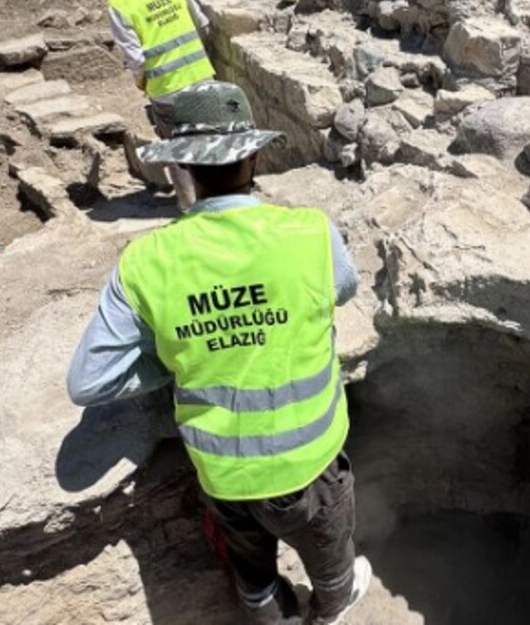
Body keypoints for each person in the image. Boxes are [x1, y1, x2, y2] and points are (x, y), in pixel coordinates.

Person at [66, 81, 371, 625]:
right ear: (253, 153)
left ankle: (272, 612)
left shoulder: (146, 260)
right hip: (311, 465)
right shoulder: (309, 231)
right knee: (332, 563)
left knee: (253, 579)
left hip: (223, 473)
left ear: (180, 164)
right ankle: (332, 609)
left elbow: (89, 382)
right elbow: (343, 289)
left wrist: (177, 356)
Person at [87, 0, 216, 211]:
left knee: (179, 152)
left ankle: (190, 209)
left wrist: (142, 82)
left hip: (167, 90)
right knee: (211, 143)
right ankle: (222, 203)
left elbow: (136, 59)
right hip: (203, 79)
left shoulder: (119, 4)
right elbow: (203, 24)